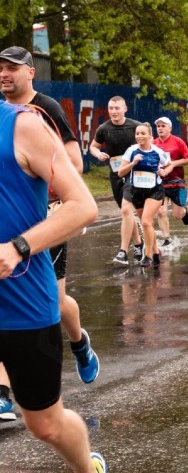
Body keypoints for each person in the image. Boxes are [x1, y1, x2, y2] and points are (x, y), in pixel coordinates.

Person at [0, 100, 109, 473]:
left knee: (44, 424)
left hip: (24, 303)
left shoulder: (21, 126)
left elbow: (83, 206)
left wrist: (18, 247)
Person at [0, 46, 99, 413]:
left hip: (49, 217)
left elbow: (74, 163)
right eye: (0, 69)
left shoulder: (45, 110)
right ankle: (2, 393)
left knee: (57, 301)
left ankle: (79, 341)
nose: (4, 74)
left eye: (12, 68)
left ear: (30, 73)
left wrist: (43, 162)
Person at [89, 96, 144, 265]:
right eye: (111, 108)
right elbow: (93, 146)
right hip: (116, 174)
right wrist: (98, 154)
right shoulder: (103, 128)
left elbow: (147, 143)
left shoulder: (135, 126)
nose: (113, 111)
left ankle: (123, 251)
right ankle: (139, 244)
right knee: (126, 212)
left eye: (117, 108)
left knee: (126, 211)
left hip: (134, 174)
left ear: (125, 108)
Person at [116, 123, 171, 268]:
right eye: (137, 133)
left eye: (143, 133)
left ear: (150, 136)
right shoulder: (131, 151)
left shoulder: (158, 152)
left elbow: (169, 164)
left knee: (146, 222)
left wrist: (164, 172)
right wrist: (133, 163)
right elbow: (120, 172)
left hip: (155, 190)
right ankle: (156, 251)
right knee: (146, 224)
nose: (139, 136)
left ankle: (148, 256)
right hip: (137, 191)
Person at [153, 117, 188, 248]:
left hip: (176, 181)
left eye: (163, 126)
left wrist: (174, 163)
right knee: (160, 211)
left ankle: (184, 212)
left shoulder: (177, 141)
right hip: (160, 182)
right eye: (158, 126)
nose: (160, 128)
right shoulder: (153, 144)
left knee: (177, 214)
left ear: (169, 128)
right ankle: (167, 238)